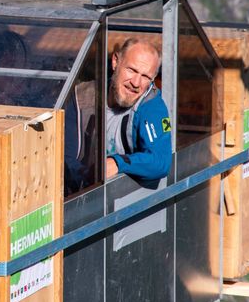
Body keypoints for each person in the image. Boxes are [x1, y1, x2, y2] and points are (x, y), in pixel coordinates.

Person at [65, 38, 171, 193]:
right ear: (115, 62)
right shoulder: (82, 96)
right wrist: (87, 177)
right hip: (79, 194)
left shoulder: (151, 106)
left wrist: (118, 163)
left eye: (145, 77)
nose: (135, 82)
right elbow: (64, 157)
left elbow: (160, 161)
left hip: (123, 201)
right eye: (132, 70)